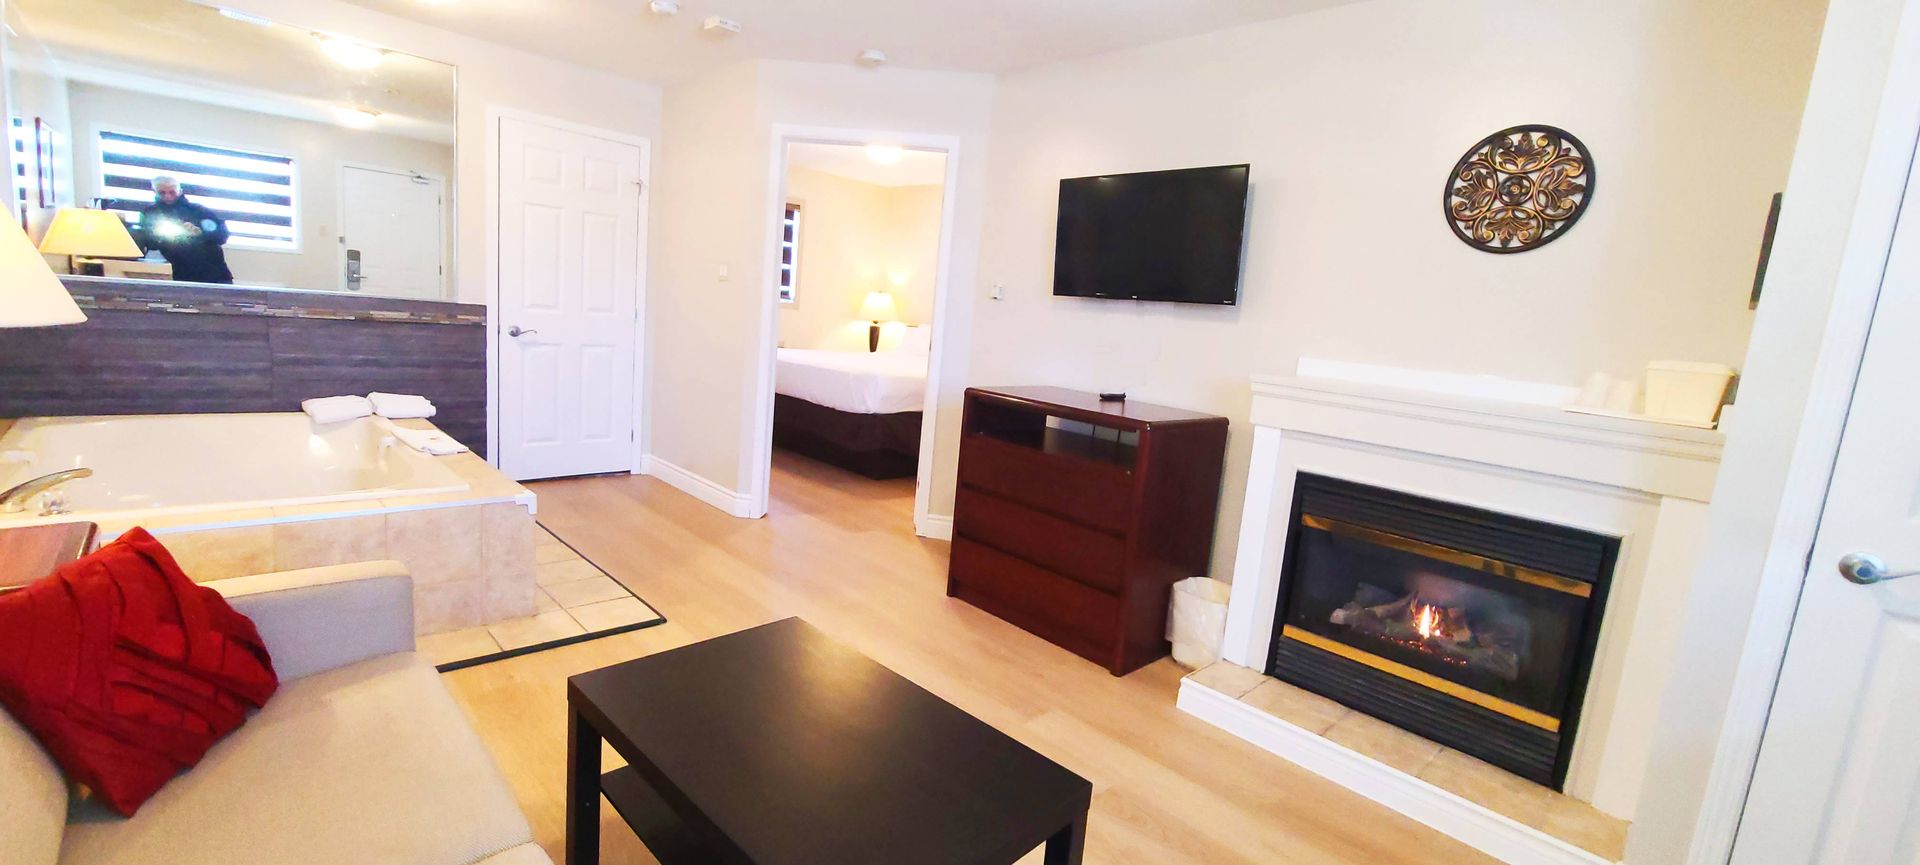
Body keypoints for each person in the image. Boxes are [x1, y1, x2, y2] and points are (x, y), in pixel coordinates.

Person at [133, 176, 234, 284]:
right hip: (177, 274)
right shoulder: (149, 214)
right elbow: (147, 242)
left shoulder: (199, 211)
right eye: (162, 192)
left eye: (172, 192)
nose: (168, 196)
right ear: (154, 191)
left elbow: (222, 235)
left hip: (213, 274)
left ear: (180, 191)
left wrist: (200, 233)